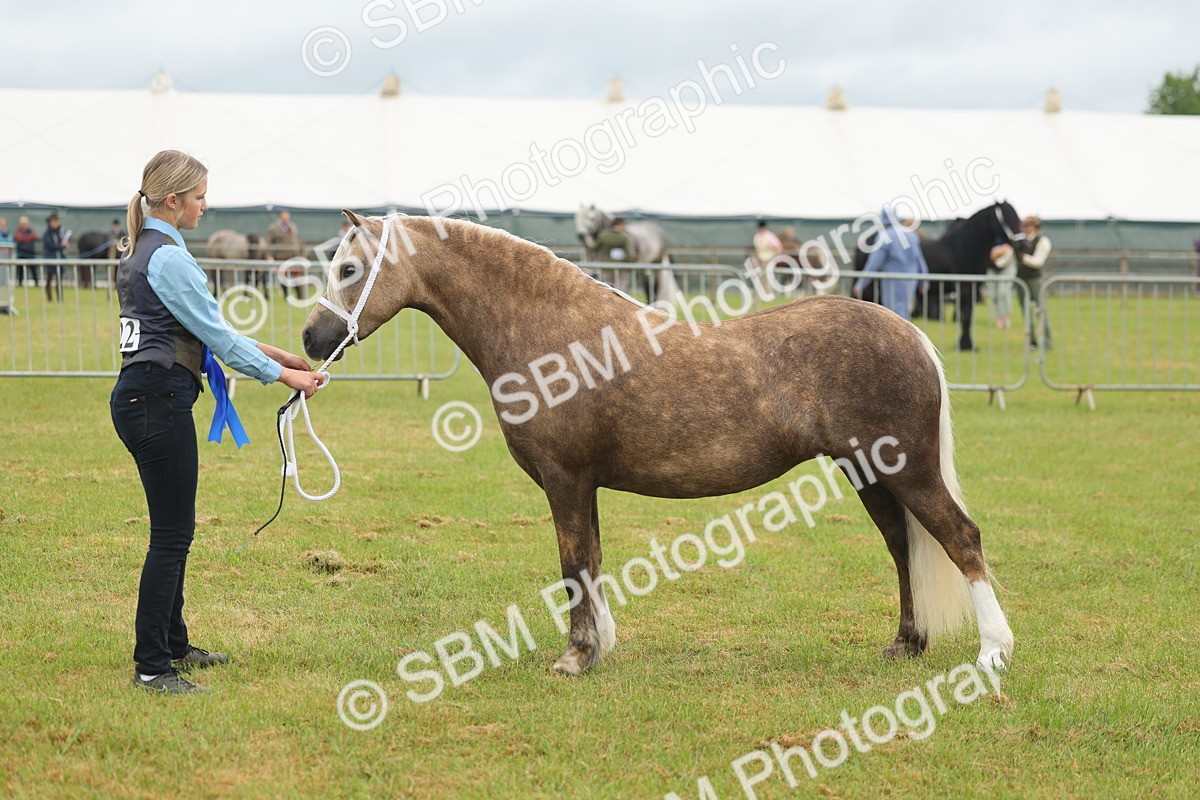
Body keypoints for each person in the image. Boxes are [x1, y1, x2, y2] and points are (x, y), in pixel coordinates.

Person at [111, 150, 326, 694]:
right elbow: (220, 338)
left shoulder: (144, 251)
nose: (207, 206)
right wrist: (284, 376)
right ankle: (154, 666)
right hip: (156, 402)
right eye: (201, 196)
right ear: (174, 200)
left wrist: (282, 359)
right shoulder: (170, 258)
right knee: (172, 536)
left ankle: (174, 644)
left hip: (145, 399)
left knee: (174, 530)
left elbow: (212, 329)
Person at [851, 206, 929, 321]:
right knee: (905, 311)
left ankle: (901, 339)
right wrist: (924, 282)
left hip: (893, 282)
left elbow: (873, 263)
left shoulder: (885, 236)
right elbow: (919, 260)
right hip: (911, 281)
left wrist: (861, 284)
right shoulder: (911, 235)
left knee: (893, 315)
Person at [1015, 215, 1052, 350]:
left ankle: (1047, 341)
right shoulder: (1020, 241)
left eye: (1029, 225)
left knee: (1041, 310)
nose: (1026, 228)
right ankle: (1032, 342)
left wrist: (1022, 257)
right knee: (1026, 312)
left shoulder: (1043, 241)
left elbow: (1038, 261)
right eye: (1025, 225)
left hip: (1035, 279)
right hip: (1021, 280)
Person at [266, 210, 304, 299]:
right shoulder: (273, 228)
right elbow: (269, 243)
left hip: (294, 256)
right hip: (281, 256)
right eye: (285, 216)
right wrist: (268, 255)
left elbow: (297, 240)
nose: (287, 217)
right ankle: (286, 296)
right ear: (280, 216)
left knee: (296, 275)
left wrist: (301, 254)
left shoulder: (293, 226)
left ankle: (300, 296)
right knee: (283, 277)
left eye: (288, 215)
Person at [988, 241, 1016, 329]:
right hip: (991, 269)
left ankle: (1006, 318)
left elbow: (1009, 249)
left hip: (1006, 267)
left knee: (1003, 293)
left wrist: (997, 253)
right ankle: (998, 318)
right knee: (993, 295)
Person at [42, 214, 67, 303]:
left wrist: (64, 245)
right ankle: (49, 298)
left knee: (59, 280)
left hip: (59, 259)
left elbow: (60, 243)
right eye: (54, 221)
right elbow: (51, 245)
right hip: (50, 259)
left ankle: (60, 298)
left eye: (56, 221)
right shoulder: (47, 234)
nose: (55, 223)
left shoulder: (59, 232)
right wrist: (62, 245)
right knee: (49, 279)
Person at [14, 216, 38, 286]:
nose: (24, 225)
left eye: (25, 223)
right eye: (23, 224)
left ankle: (36, 283)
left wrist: (24, 238)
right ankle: (20, 283)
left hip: (30, 253)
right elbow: (18, 237)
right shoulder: (19, 231)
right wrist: (27, 238)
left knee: (33, 270)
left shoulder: (31, 230)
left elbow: (33, 236)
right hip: (21, 253)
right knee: (20, 270)